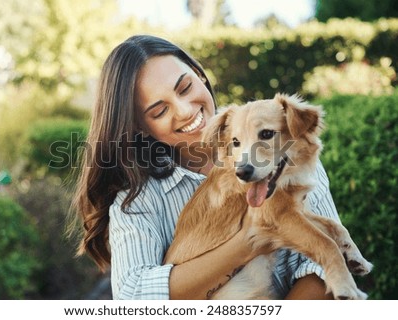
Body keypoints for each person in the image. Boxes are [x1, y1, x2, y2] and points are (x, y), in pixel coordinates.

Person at [72, 34, 341, 300]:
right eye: (159, 111)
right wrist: (245, 244)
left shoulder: (284, 149)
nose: (185, 111)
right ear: (140, 128)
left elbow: (324, 267)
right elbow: (133, 297)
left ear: (200, 74)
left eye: (185, 87)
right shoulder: (137, 201)